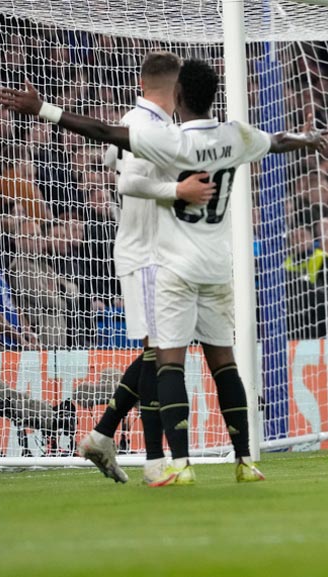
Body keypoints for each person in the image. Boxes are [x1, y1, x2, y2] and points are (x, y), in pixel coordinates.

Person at [0, 59, 328, 483]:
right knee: (222, 363)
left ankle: (175, 462)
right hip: (215, 265)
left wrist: (45, 110)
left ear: (178, 96)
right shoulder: (236, 135)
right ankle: (243, 460)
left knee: (166, 361)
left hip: (173, 264)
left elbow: (103, 132)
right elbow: (278, 140)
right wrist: (308, 138)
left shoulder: (171, 142)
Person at [76, 52, 216, 485]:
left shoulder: (136, 120)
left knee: (158, 352)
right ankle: (154, 460)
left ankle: (104, 435)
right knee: (160, 354)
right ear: (175, 90)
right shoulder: (148, 126)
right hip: (146, 253)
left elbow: (107, 162)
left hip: (150, 249)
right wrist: (177, 188)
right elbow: (125, 181)